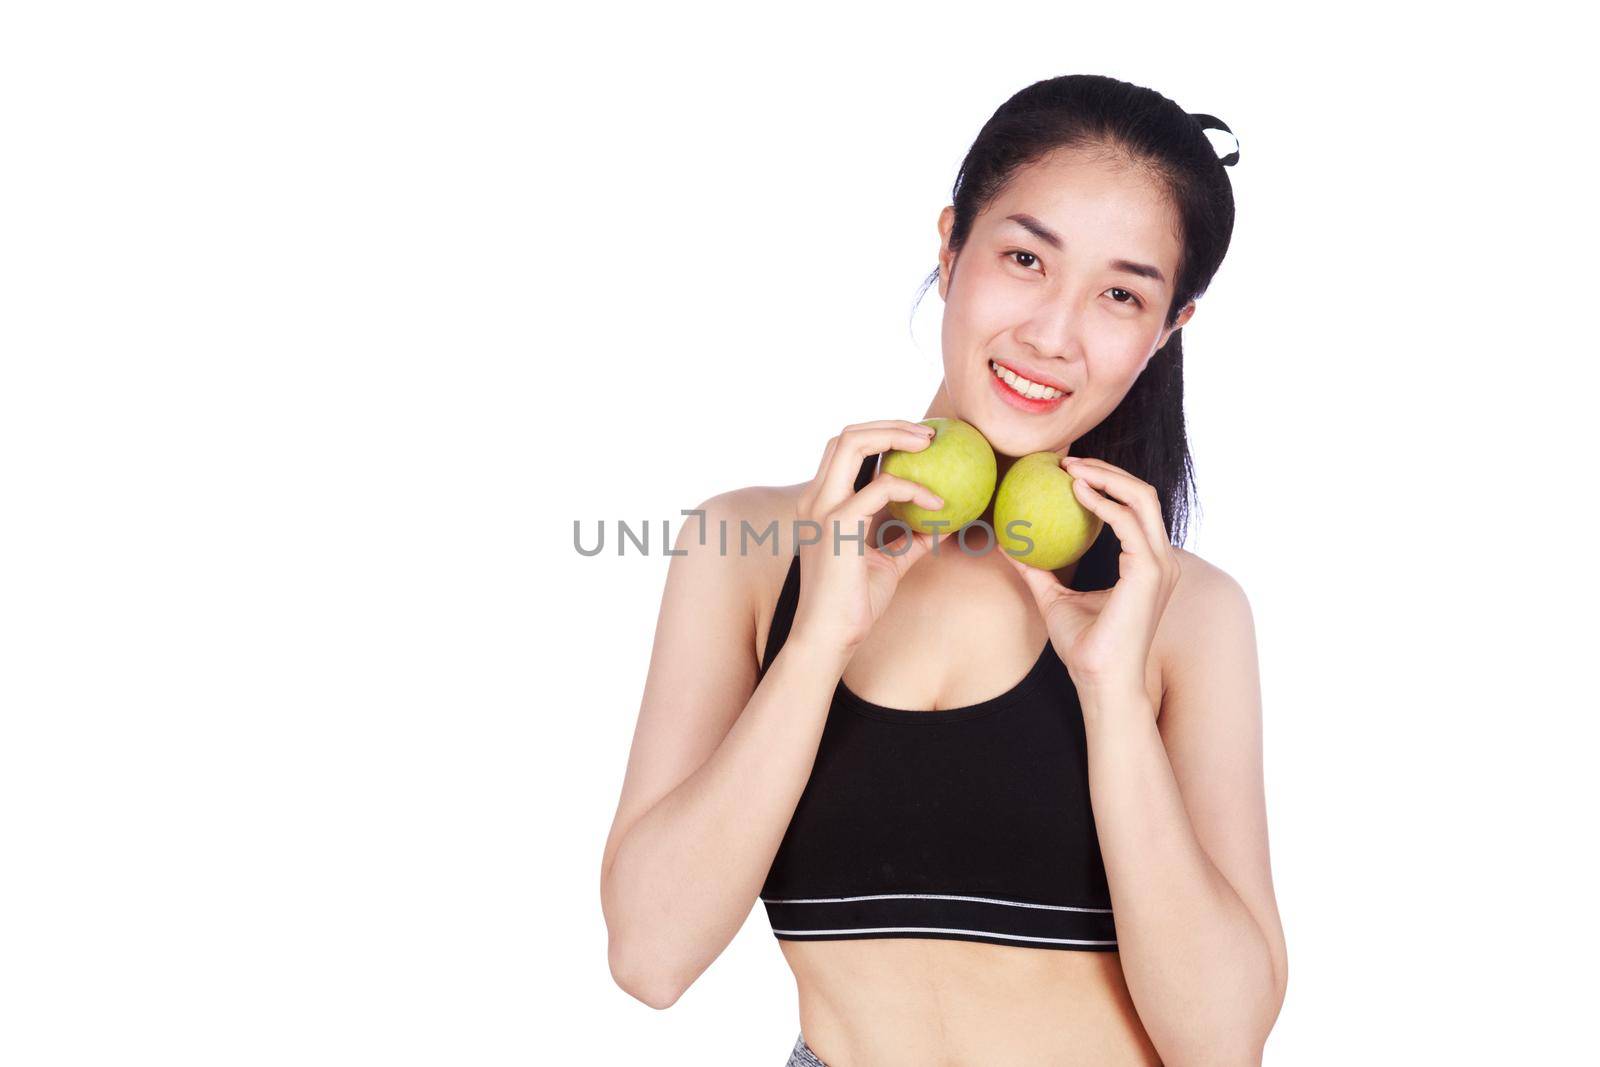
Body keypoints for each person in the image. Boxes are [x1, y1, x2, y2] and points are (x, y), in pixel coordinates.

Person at [600, 73, 1287, 1066]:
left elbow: (1222, 1042)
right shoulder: (744, 550)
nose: (1052, 333)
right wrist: (816, 643)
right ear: (950, 242)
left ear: (1168, 327)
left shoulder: (1182, 610)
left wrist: (1109, 698)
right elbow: (650, 955)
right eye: (1023, 257)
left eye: (1120, 293)